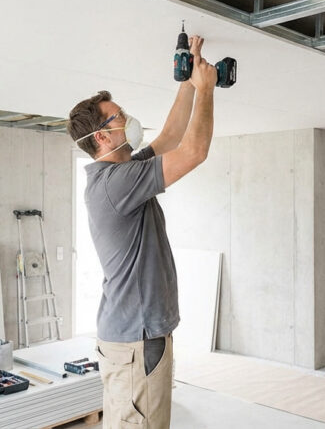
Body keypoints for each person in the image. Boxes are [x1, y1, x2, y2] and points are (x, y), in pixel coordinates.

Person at [67, 34, 216, 429]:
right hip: (136, 336)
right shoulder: (115, 183)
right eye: (119, 118)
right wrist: (206, 91)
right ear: (101, 136)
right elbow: (193, 152)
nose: (129, 121)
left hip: (135, 335)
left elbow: (169, 139)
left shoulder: (122, 172)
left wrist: (188, 79)